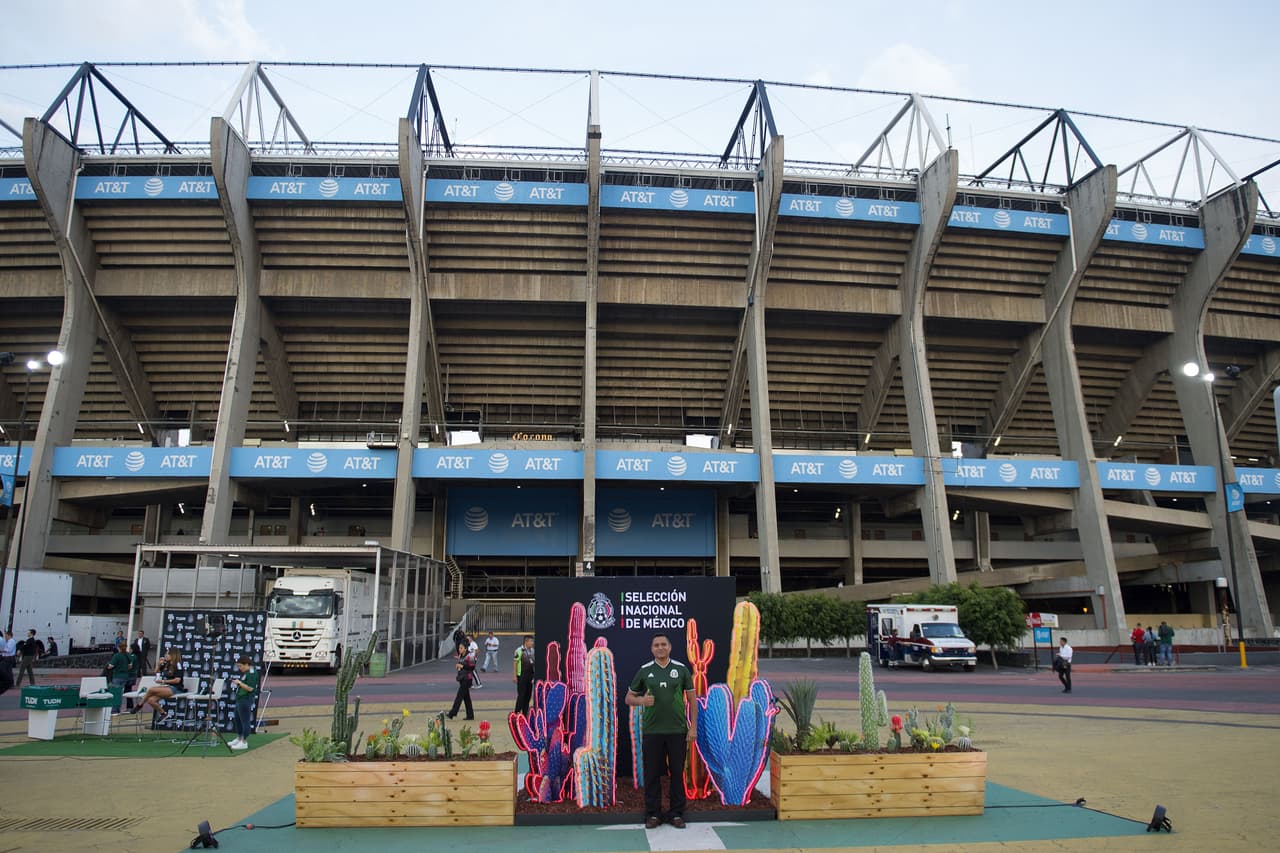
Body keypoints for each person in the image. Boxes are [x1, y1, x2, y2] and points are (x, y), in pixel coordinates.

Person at [626, 634, 698, 831]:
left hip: (677, 731)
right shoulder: (645, 671)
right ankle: (653, 814)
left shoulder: (681, 670)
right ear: (652, 649)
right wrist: (641, 701)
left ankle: (676, 813)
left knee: (677, 773)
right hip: (652, 731)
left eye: (663, 644)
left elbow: (692, 700)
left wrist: (693, 728)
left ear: (670, 647)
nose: (660, 648)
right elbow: (628, 698)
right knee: (651, 775)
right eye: (656, 645)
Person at [134, 648, 186, 720]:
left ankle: (140, 705)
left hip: (175, 688)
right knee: (151, 700)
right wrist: (159, 665)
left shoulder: (177, 665)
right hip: (166, 687)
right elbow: (156, 671)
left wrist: (163, 681)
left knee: (151, 689)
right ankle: (163, 714)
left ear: (173, 655)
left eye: (167, 654)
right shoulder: (167, 664)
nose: (166, 655)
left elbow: (177, 680)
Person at [228, 654, 259, 750]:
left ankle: (244, 741)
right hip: (240, 699)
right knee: (237, 719)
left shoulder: (252, 673)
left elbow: (250, 688)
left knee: (245, 721)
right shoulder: (248, 672)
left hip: (246, 699)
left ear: (246, 664)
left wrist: (239, 683)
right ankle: (239, 737)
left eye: (240, 666)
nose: (239, 668)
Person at [446, 642, 475, 720]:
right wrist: (458, 666)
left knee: (459, 696)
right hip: (462, 678)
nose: (459, 649)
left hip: (467, 679)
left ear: (465, 648)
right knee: (466, 698)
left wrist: (462, 666)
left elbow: (472, 667)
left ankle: (452, 713)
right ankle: (470, 715)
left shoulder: (470, 655)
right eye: (459, 648)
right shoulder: (461, 656)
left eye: (461, 648)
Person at [105, 641, 132, 711]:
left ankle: (114, 710)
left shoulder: (117, 655)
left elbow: (111, 666)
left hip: (117, 676)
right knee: (120, 693)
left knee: (115, 693)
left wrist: (107, 665)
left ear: (119, 648)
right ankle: (118, 708)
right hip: (125, 676)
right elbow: (130, 666)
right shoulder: (128, 655)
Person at [512, 635, 535, 715]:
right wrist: (514, 675)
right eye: (531, 641)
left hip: (530, 676)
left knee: (528, 695)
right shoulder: (519, 650)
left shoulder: (532, 651)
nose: (532, 643)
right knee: (521, 695)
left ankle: (525, 713)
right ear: (526, 641)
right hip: (522, 675)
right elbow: (515, 663)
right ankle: (517, 712)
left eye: (532, 641)